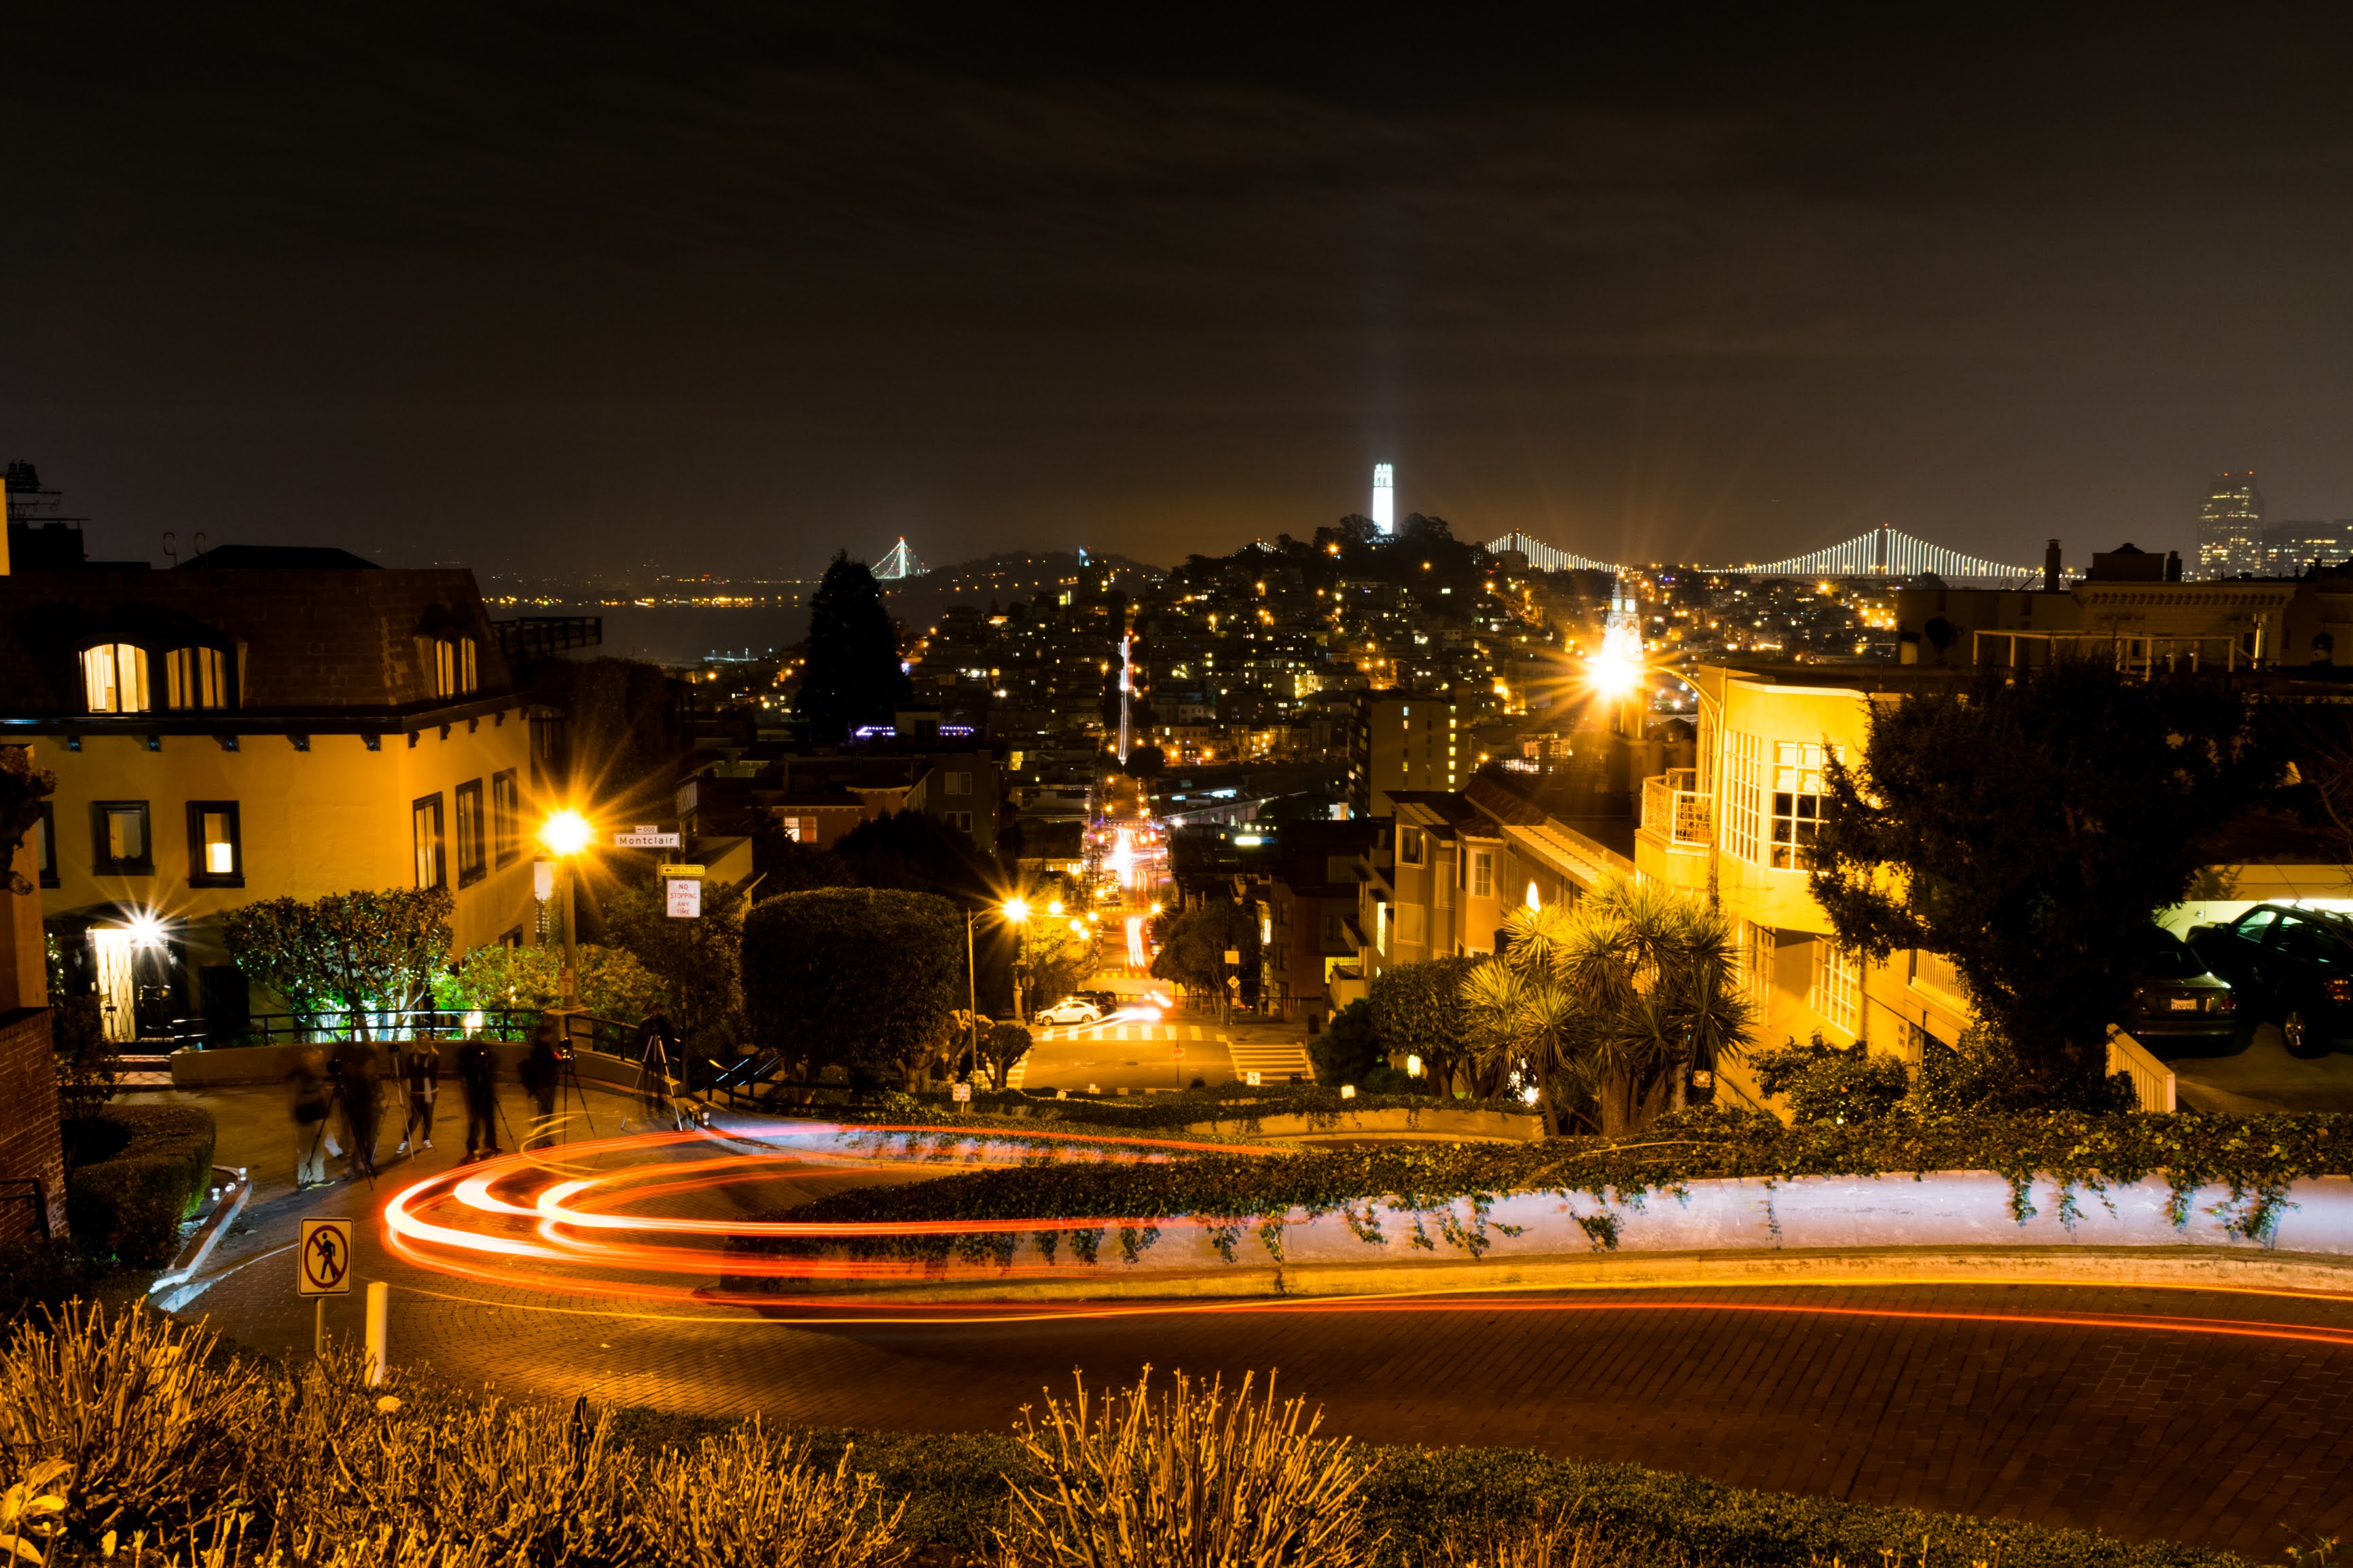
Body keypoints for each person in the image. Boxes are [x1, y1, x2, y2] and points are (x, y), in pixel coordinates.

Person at [327, 1038, 381, 1180]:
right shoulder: (359, 1076)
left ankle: (360, 1165)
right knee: (362, 1139)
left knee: (364, 1139)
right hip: (363, 1111)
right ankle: (356, 1165)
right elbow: (363, 1095)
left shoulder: (362, 1074)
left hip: (363, 1111)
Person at [287, 1048, 333, 1187]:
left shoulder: (316, 1073)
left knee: (319, 1149)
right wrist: (318, 1091)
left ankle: (318, 1177)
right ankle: (304, 1180)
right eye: (316, 1057)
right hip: (305, 1117)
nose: (319, 1060)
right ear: (306, 1057)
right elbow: (297, 1097)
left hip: (319, 1116)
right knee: (305, 1150)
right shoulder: (297, 1075)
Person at [457, 1036, 500, 1160]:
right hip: (474, 1089)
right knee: (475, 1121)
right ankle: (472, 1148)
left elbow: (492, 1065)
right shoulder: (466, 1052)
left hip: (487, 1088)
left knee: (489, 1119)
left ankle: (490, 1144)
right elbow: (463, 1069)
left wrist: (489, 1059)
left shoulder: (485, 1049)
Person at [520, 1026, 562, 1150]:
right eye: (549, 1034)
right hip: (546, 1084)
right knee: (545, 1114)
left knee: (543, 1114)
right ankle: (541, 1141)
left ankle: (543, 1140)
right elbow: (547, 1066)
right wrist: (557, 1060)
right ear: (544, 1035)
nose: (552, 1037)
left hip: (542, 1085)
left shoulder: (538, 1049)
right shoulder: (543, 1050)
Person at [397, 1042, 441, 1156]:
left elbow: (434, 1073)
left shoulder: (434, 1056)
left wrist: (424, 1072)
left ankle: (426, 1140)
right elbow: (409, 1072)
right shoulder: (412, 1056)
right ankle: (405, 1141)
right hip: (416, 1091)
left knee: (428, 1115)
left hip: (430, 1091)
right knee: (415, 1117)